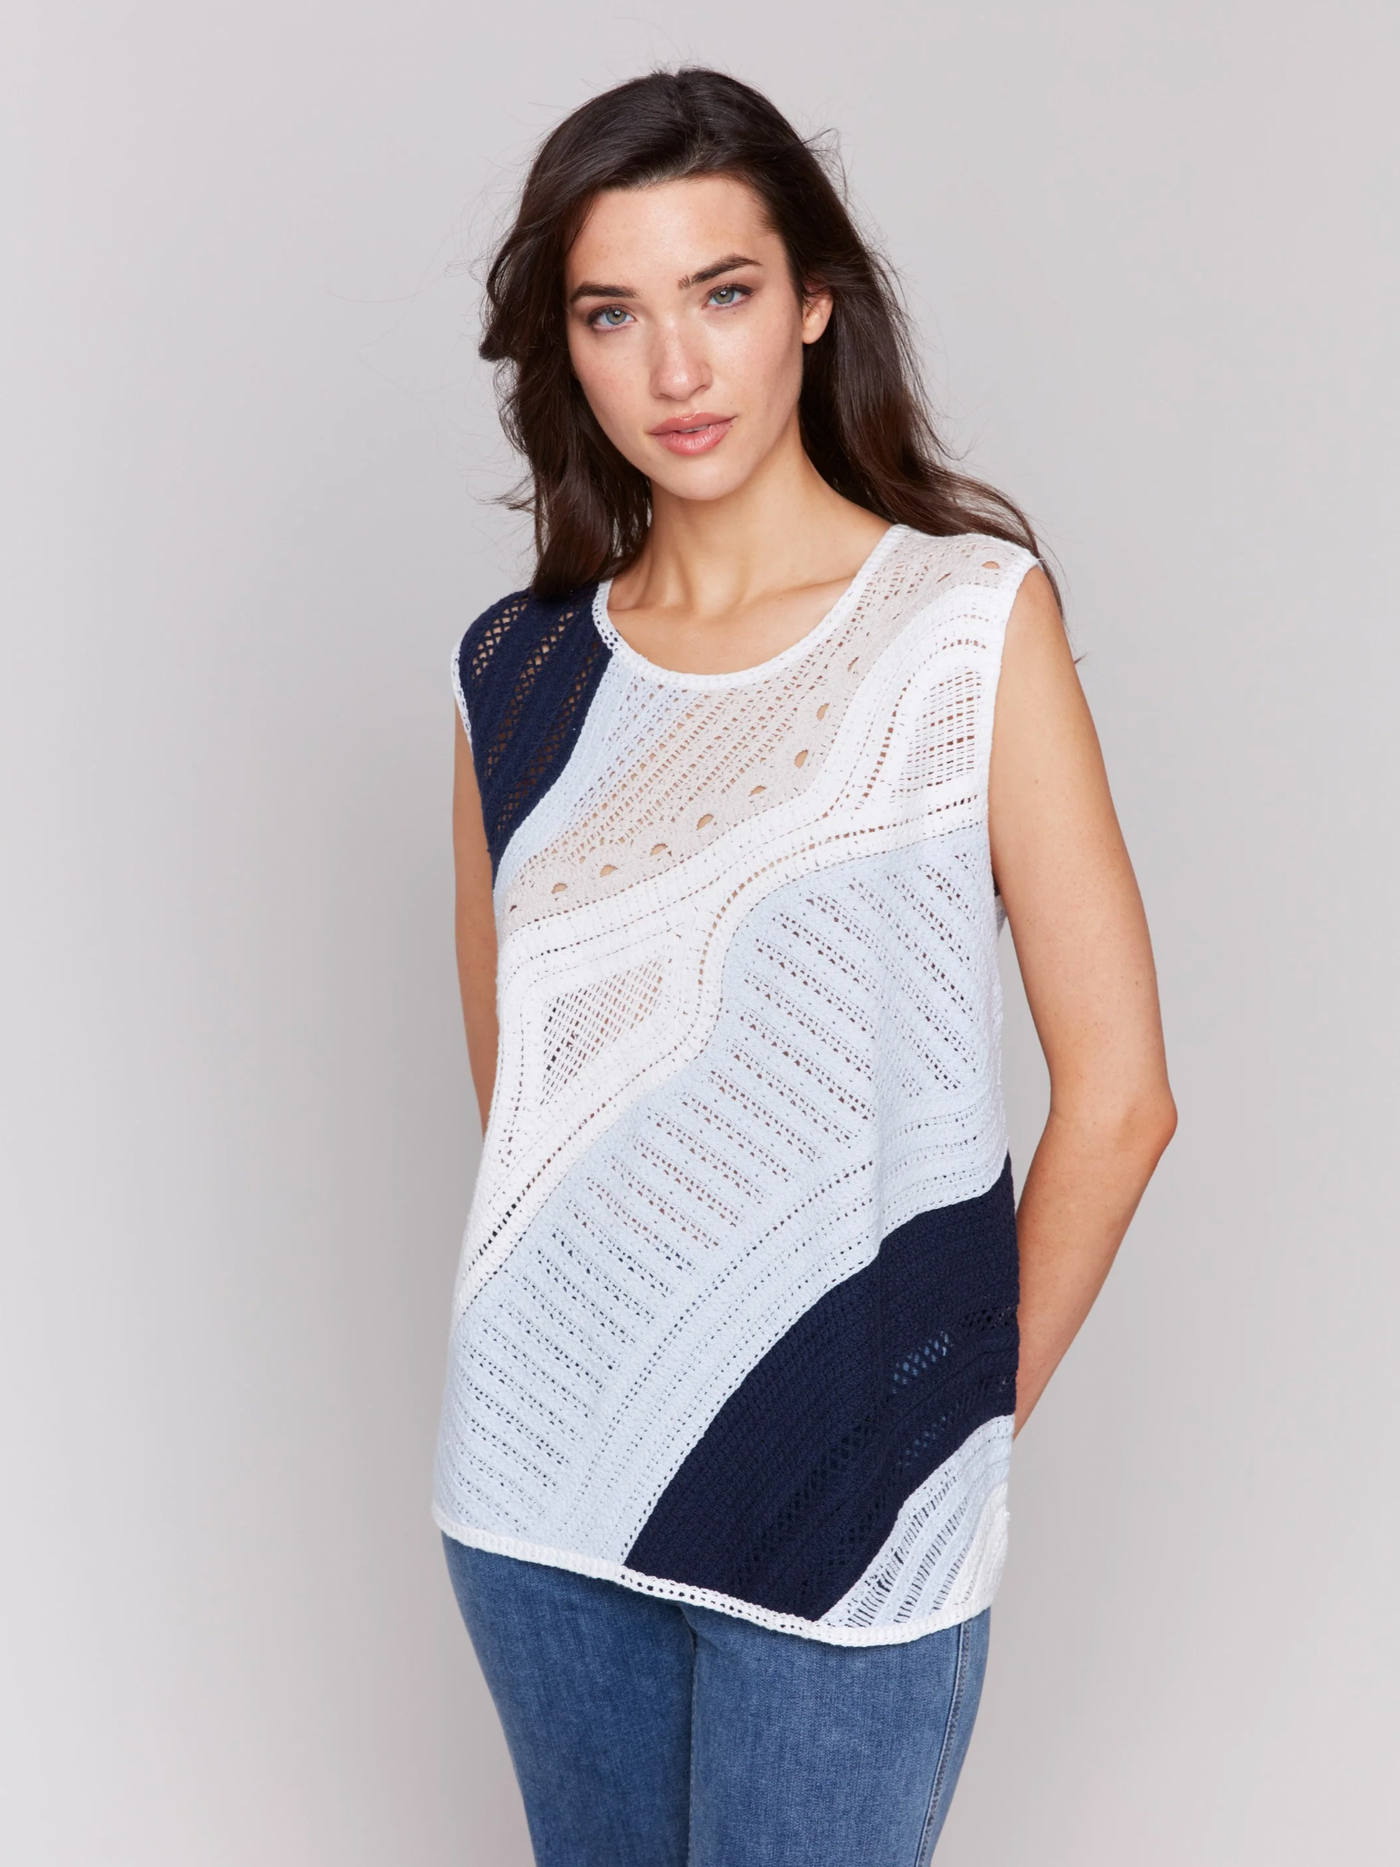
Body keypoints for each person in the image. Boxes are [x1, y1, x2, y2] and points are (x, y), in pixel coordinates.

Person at [433, 66, 1175, 1867]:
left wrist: (935, 1417)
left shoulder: (962, 624)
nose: (677, 367)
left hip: (852, 1498)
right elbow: (525, 1095)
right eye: (613, 313)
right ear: (566, 350)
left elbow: (1123, 1097)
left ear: (815, 302)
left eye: (724, 291)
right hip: (540, 1482)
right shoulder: (520, 672)